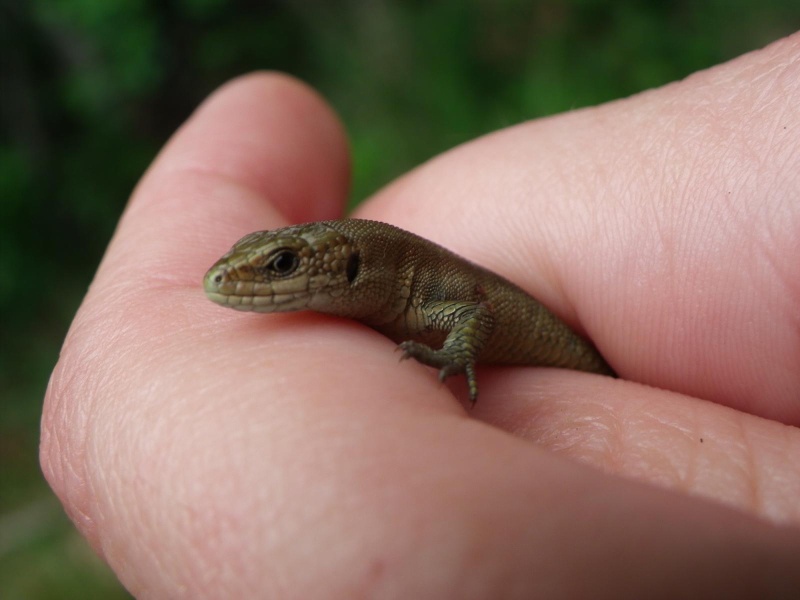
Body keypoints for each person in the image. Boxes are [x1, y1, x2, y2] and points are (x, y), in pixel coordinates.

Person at [41, 34, 800, 598]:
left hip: (605, 364)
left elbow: (467, 312)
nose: (242, 280)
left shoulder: (423, 289)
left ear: (341, 264)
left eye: (279, 267)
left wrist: (451, 355)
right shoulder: (374, 280)